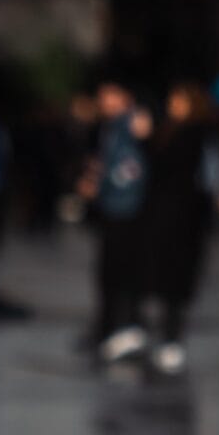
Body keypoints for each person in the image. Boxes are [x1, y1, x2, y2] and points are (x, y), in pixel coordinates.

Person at [141, 83, 219, 375]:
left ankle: (172, 338)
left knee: (177, 281)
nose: (173, 105)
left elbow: (201, 174)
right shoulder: (167, 131)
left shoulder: (197, 134)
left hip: (186, 218)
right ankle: (165, 336)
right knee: (164, 281)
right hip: (165, 217)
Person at [81, 82, 152, 363]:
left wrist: (104, 182)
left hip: (127, 210)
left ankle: (125, 328)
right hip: (113, 209)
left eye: (110, 95)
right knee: (108, 272)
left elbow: (131, 168)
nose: (104, 101)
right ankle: (108, 327)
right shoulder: (109, 127)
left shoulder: (132, 124)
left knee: (121, 271)